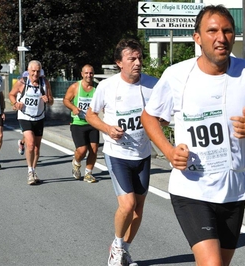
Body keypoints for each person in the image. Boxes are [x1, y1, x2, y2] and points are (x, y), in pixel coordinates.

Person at [141, 5, 245, 266]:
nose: (221, 37)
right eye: (212, 30)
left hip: (233, 188)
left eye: (227, 31)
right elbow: (149, 117)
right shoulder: (177, 75)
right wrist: (169, 152)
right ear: (197, 37)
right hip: (192, 187)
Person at [85, 39, 158, 266]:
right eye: (132, 59)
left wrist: (161, 123)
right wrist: (107, 128)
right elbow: (90, 114)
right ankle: (116, 247)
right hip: (117, 154)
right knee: (127, 205)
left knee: (138, 210)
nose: (138, 63)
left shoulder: (153, 84)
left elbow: (163, 117)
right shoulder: (107, 86)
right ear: (119, 63)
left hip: (142, 154)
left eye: (139, 58)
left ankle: (125, 249)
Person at [9, 60, 54, 185]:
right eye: (33, 71)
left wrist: (47, 100)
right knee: (30, 143)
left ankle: (34, 170)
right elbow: (11, 94)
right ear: (28, 71)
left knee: (36, 149)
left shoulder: (44, 83)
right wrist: (15, 103)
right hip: (24, 116)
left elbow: (51, 100)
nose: (35, 74)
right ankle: (29, 171)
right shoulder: (22, 83)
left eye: (38, 71)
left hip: (39, 117)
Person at [63, 64, 100, 183]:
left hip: (92, 122)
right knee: (82, 150)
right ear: (82, 74)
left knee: (94, 149)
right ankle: (76, 162)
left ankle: (88, 173)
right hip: (78, 123)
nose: (89, 75)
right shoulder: (75, 87)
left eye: (91, 73)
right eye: (86, 73)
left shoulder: (97, 88)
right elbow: (66, 100)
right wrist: (73, 108)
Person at [16, 69, 45, 156]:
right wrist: (16, 104)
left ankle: (22, 143)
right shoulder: (23, 83)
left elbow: (49, 100)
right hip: (24, 114)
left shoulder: (42, 85)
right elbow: (12, 96)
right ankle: (29, 154)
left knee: (30, 136)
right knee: (30, 139)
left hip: (37, 115)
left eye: (41, 76)